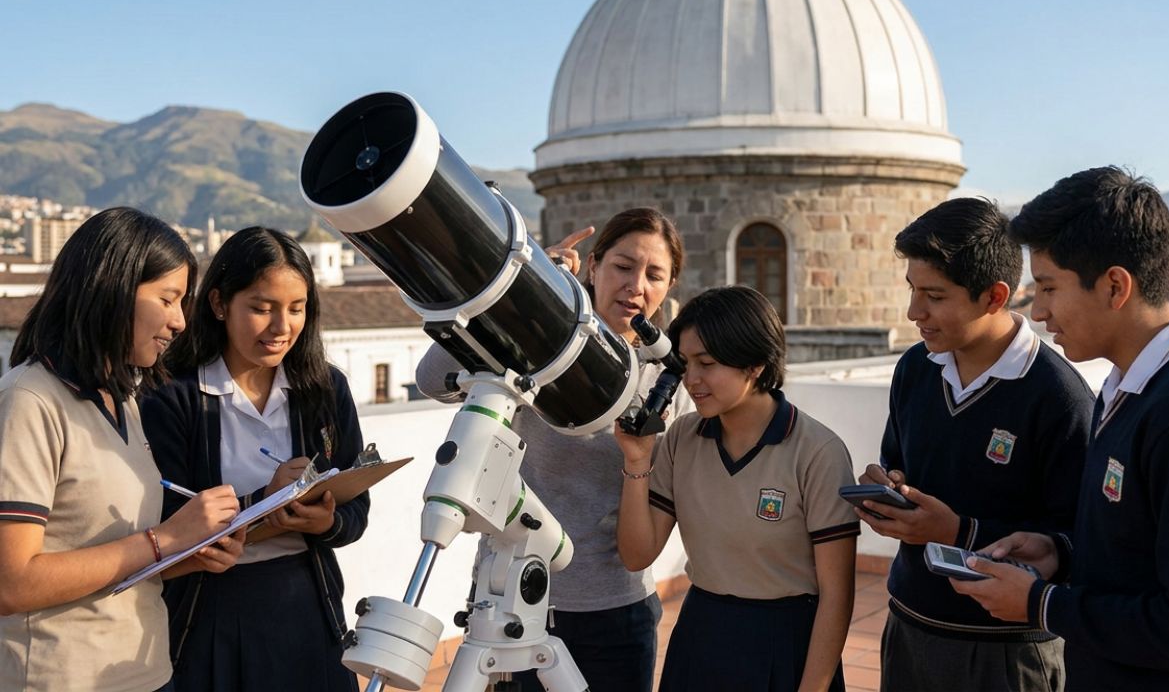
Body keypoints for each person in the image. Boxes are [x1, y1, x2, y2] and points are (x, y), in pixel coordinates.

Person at [415, 207, 689, 692]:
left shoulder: (665, 379)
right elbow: (433, 378)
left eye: (653, 275)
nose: (635, 286)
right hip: (507, 597)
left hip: (613, 610)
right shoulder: (540, 342)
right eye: (623, 266)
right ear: (593, 266)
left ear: (669, 287)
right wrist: (520, 294)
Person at [949, 167, 1169, 691]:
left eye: (1048, 287)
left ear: (1115, 286)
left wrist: (1042, 605)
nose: (1038, 311)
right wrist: (1060, 554)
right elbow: (1134, 557)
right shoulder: (1124, 387)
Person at [0, 207, 244, 692]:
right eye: (168, 299)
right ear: (111, 288)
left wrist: (187, 554)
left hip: (143, 673)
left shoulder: (123, 399)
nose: (179, 321)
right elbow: (13, 582)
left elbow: (105, 555)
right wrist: (165, 540)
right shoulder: (30, 401)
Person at [855, 198, 1093, 692]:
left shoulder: (1058, 397)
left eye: (934, 296)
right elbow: (897, 462)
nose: (914, 312)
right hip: (909, 624)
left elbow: (1079, 542)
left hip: (1007, 651)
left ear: (994, 296)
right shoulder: (915, 368)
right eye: (912, 290)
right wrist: (888, 488)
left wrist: (960, 532)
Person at [140, 227, 369, 692]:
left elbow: (356, 511)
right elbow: (161, 524)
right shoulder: (173, 397)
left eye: (296, 309)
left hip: (309, 607)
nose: (281, 327)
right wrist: (264, 501)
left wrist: (326, 521)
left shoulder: (325, 390)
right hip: (211, 613)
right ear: (219, 303)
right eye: (262, 308)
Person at [617, 285, 859, 692]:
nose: (691, 380)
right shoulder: (682, 438)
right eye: (685, 363)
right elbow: (636, 555)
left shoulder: (817, 452)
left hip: (785, 642)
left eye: (707, 363)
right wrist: (637, 461)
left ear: (755, 365)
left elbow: (837, 597)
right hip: (701, 633)